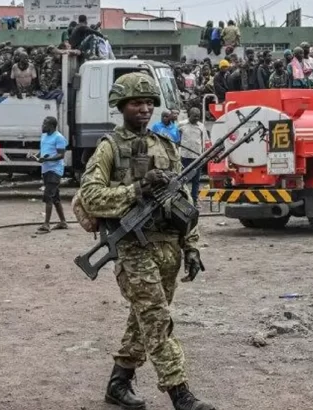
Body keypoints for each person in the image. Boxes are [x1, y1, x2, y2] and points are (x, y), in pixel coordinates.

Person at [75, 72, 212, 410]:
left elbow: (184, 202)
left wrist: (192, 246)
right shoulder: (110, 147)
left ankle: (118, 383)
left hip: (168, 248)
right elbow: (90, 196)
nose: (145, 109)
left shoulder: (165, 145)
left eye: (149, 102)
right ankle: (180, 394)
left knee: (144, 318)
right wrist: (137, 189)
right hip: (133, 248)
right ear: (121, 106)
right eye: (137, 102)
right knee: (156, 318)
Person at [35, 116, 68, 234]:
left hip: (55, 170)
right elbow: (44, 150)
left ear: (52, 126)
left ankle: (46, 224)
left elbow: (61, 155)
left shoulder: (59, 138)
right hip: (46, 170)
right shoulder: (44, 136)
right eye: (43, 123)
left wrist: (47, 160)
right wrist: (37, 156)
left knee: (48, 196)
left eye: (45, 124)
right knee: (55, 198)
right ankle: (63, 222)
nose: (43, 126)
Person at [178, 107, 206, 206]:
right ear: (189, 115)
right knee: (183, 179)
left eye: (198, 116)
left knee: (196, 180)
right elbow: (177, 139)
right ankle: (183, 199)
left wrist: (204, 154)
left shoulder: (201, 126)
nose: (196, 118)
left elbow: (204, 141)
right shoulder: (181, 125)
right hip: (185, 156)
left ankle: (194, 200)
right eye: (194, 116)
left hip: (197, 157)